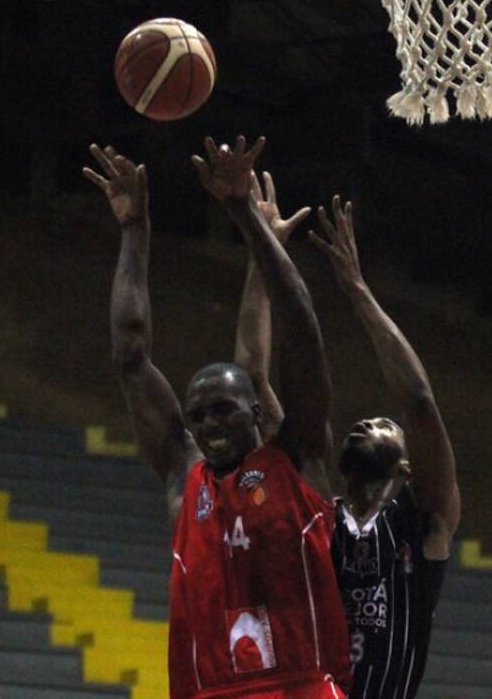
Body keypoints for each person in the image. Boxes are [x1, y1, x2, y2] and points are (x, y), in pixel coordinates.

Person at [83, 136, 351, 698]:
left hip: (299, 687)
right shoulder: (186, 474)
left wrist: (242, 214)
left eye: (223, 409)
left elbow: (301, 326)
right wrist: (135, 230)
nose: (208, 423)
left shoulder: (296, 455)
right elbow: (130, 356)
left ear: (256, 410)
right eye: (198, 414)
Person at [235, 193, 460, 698]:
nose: (366, 423)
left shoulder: (425, 520)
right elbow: (253, 377)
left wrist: (356, 288)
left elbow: (420, 402)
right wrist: (261, 251)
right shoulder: (316, 506)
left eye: (383, 424)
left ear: (407, 465)